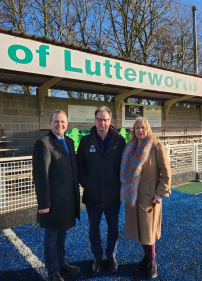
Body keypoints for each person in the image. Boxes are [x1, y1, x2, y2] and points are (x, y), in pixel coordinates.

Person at [120, 117, 171, 279]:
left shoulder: (156, 147)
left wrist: (160, 193)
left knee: (148, 231)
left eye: (143, 128)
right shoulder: (130, 146)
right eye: (137, 128)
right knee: (141, 230)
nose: (140, 131)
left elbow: (166, 173)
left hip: (150, 198)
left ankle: (152, 261)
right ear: (133, 131)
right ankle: (147, 257)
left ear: (148, 128)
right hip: (134, 196)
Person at [33, 110, 81, 281]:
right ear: (49, 123)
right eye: (56, 121)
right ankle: (52, 272)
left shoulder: (69, 141)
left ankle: (61, 264)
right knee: (52, 236)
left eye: (62, 122)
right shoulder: (43, 143)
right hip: (52, 201)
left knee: (62, 234)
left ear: (67, 124)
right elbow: (40, 176)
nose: (59, 125)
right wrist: (43, 203)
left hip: (67, 199)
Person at [77, 106, 126, 273]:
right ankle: (97, 257)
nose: (102, 123)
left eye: (105, 119)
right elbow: (80, 165)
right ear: (95, 120)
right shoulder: (85, 141)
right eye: (99, 119)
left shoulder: (120, 141)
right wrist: (86, 183)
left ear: (110, 121)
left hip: (113, 194)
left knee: (113, 227)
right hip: (93, 194)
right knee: (94, 228)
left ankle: (111, 256)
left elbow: (124, 166)